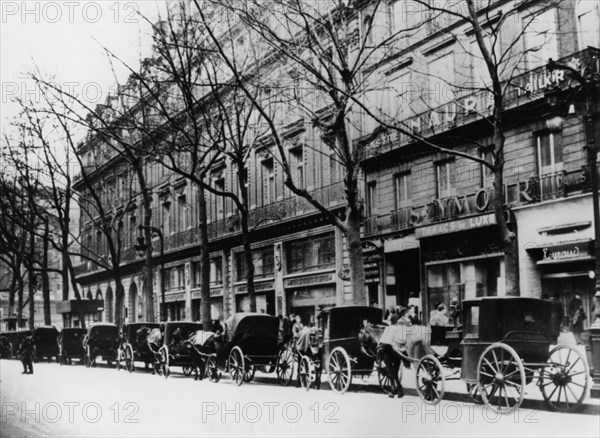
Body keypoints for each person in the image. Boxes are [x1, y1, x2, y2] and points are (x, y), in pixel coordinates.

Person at [378, 314, 408, 398]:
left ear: (390, 321)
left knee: (390, 371)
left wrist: (379, 347)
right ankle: (399, 389)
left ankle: (393, 388)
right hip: (398, 351)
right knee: (395, 371)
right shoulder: (400, 329)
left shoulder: (388, 328)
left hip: (388, 350)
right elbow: (403, 340)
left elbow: (382, 340)